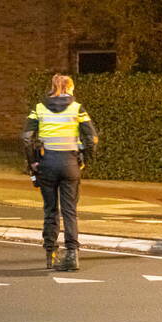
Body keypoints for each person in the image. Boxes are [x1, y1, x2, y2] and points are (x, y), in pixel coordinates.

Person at [22, 74, 98, 271]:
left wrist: (33, 164)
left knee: (50, 210)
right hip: (70, 164)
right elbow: (92, 138)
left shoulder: (38, 108)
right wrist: (84, 160)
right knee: (70, 211)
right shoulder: (77, 108)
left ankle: (51, 253)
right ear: (69, 88)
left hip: (46, 163)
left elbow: (26, 138)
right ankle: (72, 254)